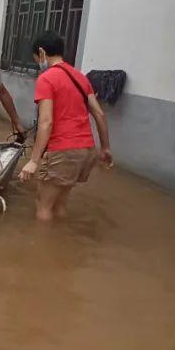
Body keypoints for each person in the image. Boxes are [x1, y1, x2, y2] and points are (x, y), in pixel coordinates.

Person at [18, 30, 113, 221]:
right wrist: (105, 148)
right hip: (85, 150)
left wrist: (34, 161)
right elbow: (99, 114)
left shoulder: (46, 78)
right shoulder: (80, 77)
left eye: (37, 58)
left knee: (43, 206)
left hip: (63, 149)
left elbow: (46, 122)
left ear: (42, 53)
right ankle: (61, 244)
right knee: (59, 203)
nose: (38, 63)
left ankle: (43, 248)